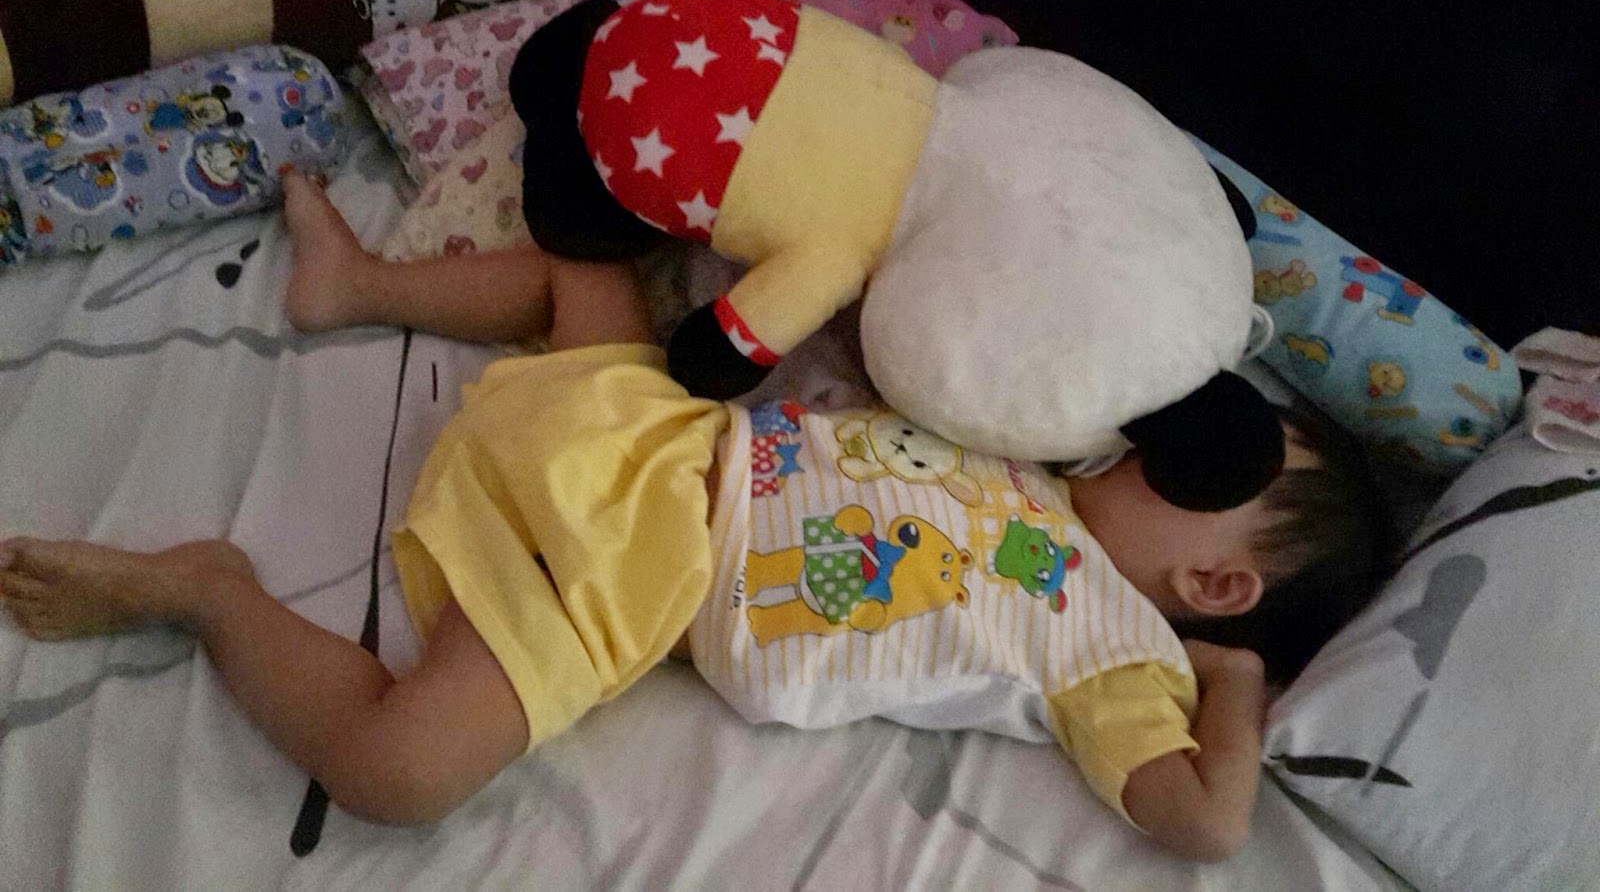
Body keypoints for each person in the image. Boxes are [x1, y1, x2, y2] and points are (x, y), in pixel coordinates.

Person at [0, 172, 1381, 863]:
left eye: (1206, 472)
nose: (1159, 437)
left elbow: (1206, 826)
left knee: (403, 772)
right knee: (589, 268)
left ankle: (213, 594)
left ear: (1219, 586)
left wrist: (1229, 689)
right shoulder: (1045, 442)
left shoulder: (1117, 660)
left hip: (619, 580)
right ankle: (357, 287)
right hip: (662, 433)